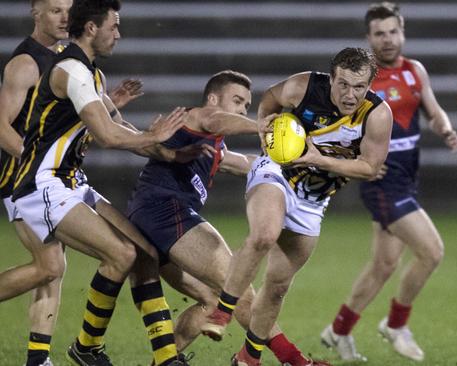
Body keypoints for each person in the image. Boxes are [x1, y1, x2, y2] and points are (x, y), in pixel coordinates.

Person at [11, 0, 193, 365]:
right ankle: (86, 348)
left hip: (70, 182)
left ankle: (165, 357)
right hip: (40, 186)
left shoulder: (92, 75)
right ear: (92, 29)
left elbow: (122, 129)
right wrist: (152, 135)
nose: (119, 34)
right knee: (119, 253)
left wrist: (168, 153)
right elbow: (108, 136)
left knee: (144, 255)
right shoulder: (70, 70)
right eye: (114, 26)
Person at [125, 70, 330, 366]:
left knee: (212, 301)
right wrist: (258, 124)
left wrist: (303, 162)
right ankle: (295, 361)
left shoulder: (214, 147)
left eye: (246, 105)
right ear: (212, 98)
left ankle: (164, 362)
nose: (241, 109)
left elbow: (250, 164)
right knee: (239, 290)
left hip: (153, 221)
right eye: (236, 100)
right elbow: (215, 119)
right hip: (166, 213)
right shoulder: (196, 118)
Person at [203, 47, 393, 366]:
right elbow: (269, 99)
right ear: (330, 78)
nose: (350, 94)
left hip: (313, 199)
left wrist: (319, 159)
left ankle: (248, 359)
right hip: (277, 171)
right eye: (343, 84)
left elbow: (370, 168)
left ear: (369, 85)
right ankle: (222, 312)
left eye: (359, 87)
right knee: (264, 234)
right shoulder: (302, 87)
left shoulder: (377, 114)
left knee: (277, 287)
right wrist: (266, 127)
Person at [0, 1, 142, 365]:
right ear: (35, 13)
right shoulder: (26, 62)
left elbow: (65, 116)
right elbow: (3, 125)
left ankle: (38, 358)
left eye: (68, 9)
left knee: (52, 269)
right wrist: (35, 165)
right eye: (54, 10)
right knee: (50, 267)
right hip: (26, 180)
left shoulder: (74, 60)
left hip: (53, 179)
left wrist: (107, 103)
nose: (64, 17)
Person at [319, 2, 457, 363]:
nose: (387, 39)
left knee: (383, 265)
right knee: (432, 251)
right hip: (382, 180)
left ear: (402, 32)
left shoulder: (415, 71)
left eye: (392, 31)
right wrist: (356, 160)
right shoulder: (362, 81)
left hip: (408, 176)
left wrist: (444, 127)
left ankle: (338, 331)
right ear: (368, 38)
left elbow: (432, 108)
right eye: (379, 33)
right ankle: (396, 325)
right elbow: (337, 127)